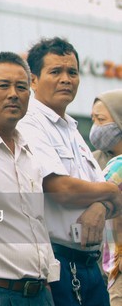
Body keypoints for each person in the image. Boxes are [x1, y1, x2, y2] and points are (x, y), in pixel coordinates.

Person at [18, 37, 122, 306]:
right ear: (33, 80)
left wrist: (100, 206)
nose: (66, 79)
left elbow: (114, 202)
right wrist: (110, 190)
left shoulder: (71, 129)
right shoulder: (30, 123)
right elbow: (60, 190)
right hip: (59, 263)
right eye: (55, 72)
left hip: (89, 266)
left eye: (72, 72)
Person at [0, 52, 59, 305]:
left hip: (41, 293)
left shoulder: (30, 151)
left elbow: (37, 221)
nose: (13, 94)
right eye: (3, 85)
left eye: (21, 87)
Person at [90, 89, 122, 305]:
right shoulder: (93, 160)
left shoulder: (116, 166)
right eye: (92, 119)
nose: (95, 127)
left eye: (101, 120)